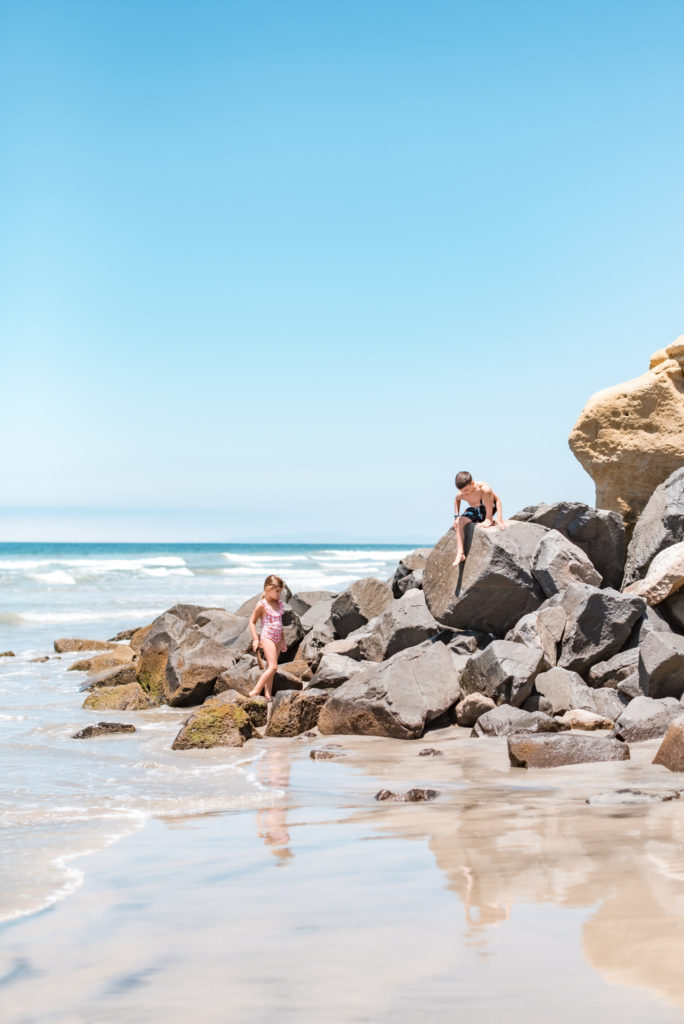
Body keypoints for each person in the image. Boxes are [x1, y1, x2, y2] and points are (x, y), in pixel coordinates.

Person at [452, 470, 505, 566]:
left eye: (467, 490)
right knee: (458, 523)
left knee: (487, 490)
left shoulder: (482, 487)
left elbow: (497, 500)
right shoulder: (461, 493)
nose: (465, 493)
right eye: (462, 491)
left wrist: (499, 518)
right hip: (474, 510)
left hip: (486, 508)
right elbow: (456, 500)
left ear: (472, 483)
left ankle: (488, 519)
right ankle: (460, 553)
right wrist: (456, 516)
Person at [248, 575, 287, 701]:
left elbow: (280, 625)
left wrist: (283, 640)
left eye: (280, 591)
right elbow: (252, 622)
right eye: (277, 591)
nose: (279, 594)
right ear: (267, 589)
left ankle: (268, 695)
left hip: (277, 638)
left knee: (271, 668)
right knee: (273, 667)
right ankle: (255, 690)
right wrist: (255, 639)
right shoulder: (262, 605)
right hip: (267, 637)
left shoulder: (279, 604)